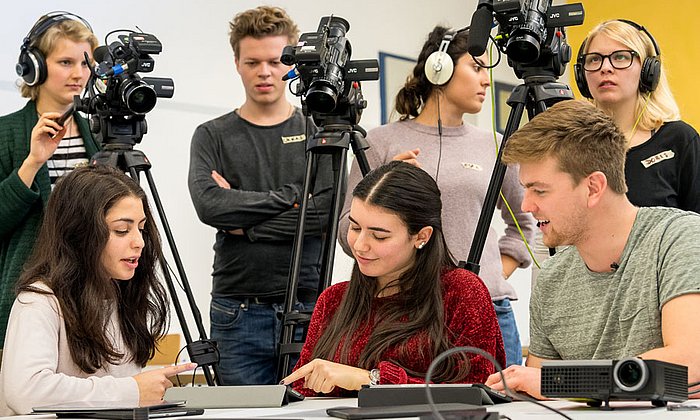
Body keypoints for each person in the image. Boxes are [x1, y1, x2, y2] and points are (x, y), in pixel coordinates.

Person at [337, 26, 535, 367]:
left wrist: (490, 274)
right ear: (438, 67)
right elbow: (346, 231)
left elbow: (527, 222)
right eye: (476, 67)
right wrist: (382, 187)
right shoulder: (380, 142)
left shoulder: (495, 144)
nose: (486, 80)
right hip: (403, 312)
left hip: (487, 306)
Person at [484, 100, 700, 399]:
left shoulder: (680, 238)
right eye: (525, 189)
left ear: (594, 187)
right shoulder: (553, 280)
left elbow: (688, 365)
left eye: (540, 190)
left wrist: (559, 383)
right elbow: (538, 394)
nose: (526, 205)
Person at [187, 6, 332, 385]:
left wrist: (246, 225)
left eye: (273, 61)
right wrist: (291, 196)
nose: (264, 72)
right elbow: (210, 205)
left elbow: (327, 212)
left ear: (292, 63)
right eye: (252, 62)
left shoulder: (320, 130)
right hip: (237, 312)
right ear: (237, 62)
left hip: (309, 306)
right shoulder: (211, 135)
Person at [282, 161, 506, 396]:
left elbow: (478, 391)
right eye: (355, 228)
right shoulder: (334, 299)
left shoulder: (461, 291)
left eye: (379, 236)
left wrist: (371, 380)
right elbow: (301, 388)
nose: (360, 245)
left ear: (421, 236)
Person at [0, 165, 196, 415]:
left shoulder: (121, 296)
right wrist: (131, 391)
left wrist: (142, 389)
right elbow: (26, 393)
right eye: (122, 230)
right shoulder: (39, 302)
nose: (139, 242)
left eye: (141, 228)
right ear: (79, 233)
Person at [0, 12, 102, 349]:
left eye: (86, 63)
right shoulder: (6, 133)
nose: (78, 74)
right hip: (28, 293)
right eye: (65, 62)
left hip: (91, 295)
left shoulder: (100, 134)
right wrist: (33, 162)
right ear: (35, 67)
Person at [575, 19, 699, 212]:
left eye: (621, 57)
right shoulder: (571, 145)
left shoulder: (679, 140)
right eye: (594, 59)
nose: (605, 67)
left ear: (649, 70)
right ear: (581, 76)